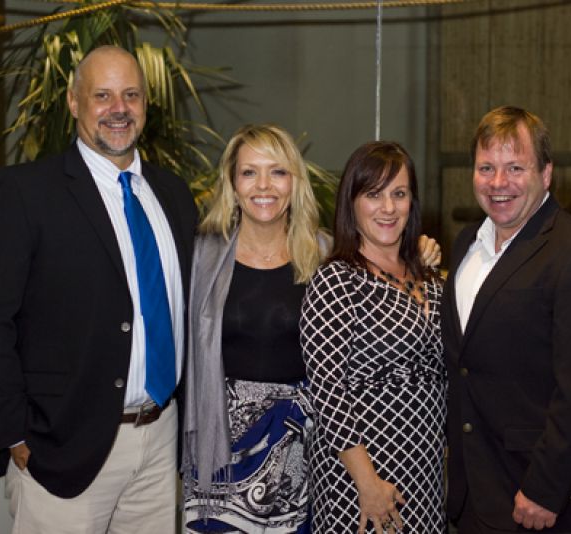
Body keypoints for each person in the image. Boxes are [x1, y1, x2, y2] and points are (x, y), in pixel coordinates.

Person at [0, 45, 197, 533]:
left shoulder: (173, 194)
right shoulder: (25, 193)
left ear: (146, 104)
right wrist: (14, 434)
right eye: (102, 95)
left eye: (131, 95)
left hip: (160, 440)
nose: (118, 109)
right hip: (61, 445)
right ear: (73, 102)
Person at [181, 127, 441, 533]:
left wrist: (417, 251)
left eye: (278, 172)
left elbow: (384, 264)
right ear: (232, 184)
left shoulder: (323, 254)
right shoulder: (202, 256)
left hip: (303, 448)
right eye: (250, 173)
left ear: (295, 183)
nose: (264, 185)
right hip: (221, 444)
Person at [441, 106, 571, 533]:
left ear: (546, 174)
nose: (498, 182)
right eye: (486, 167)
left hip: (539, 502)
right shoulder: (468, 242)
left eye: (515, 167)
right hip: (472, 494)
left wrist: (546, 487)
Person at [300, 141, 447, 534]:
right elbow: (328, 390)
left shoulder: (433, 280)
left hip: (425, 474)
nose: (388, 207)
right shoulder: (336, 280)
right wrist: (367, 484)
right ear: (352, 202)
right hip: (361, 477)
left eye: (399, 194)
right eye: (374, 194)